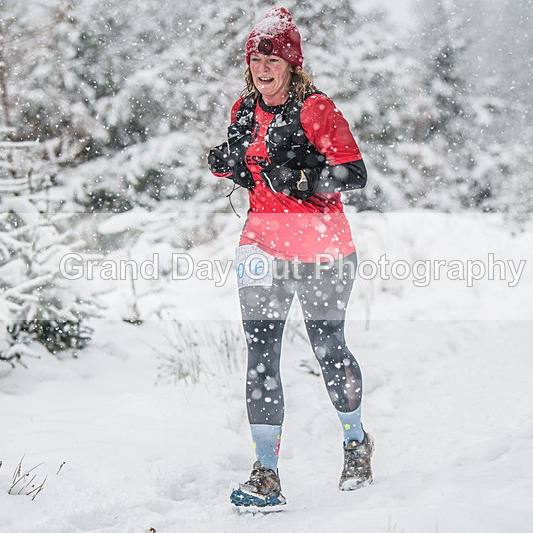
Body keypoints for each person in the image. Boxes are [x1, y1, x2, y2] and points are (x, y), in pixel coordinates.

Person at [207, 7, 372, 509]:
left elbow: (355, 174)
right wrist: (228, 164)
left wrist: (305, 180)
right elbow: (246, 164)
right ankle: (266, 473)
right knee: (261, 353)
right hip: (261, 245)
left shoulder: (317, 109)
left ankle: (354, 440)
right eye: (256, 57)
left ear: (292, 64)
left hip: (323, 247)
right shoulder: (243, 109)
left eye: (272, 58)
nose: (263, 67)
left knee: (328, 348)